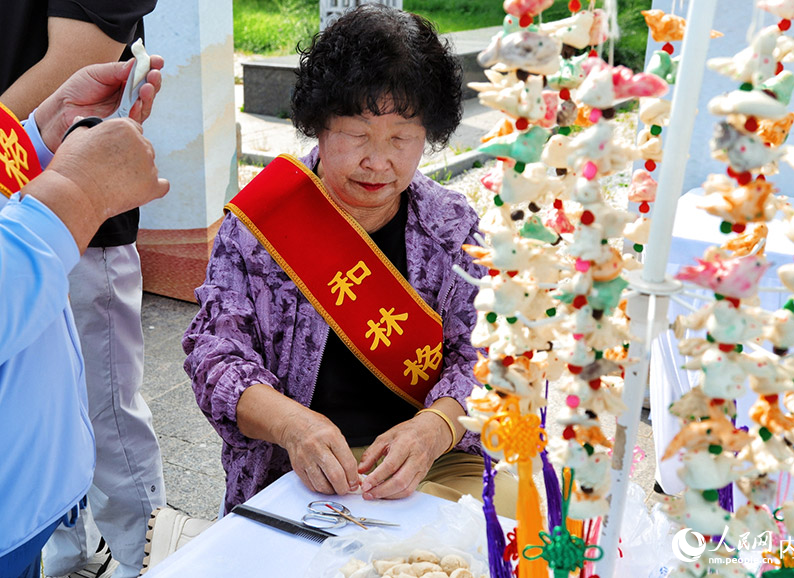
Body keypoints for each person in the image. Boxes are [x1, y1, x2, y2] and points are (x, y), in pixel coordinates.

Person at [183, 4, 517, 517]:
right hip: (299, 471)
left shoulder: (451, 228)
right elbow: (214, 353)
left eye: (402, 138)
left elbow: (492, 357)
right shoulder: (261, 224)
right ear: (318, 125)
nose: (378, 161)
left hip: (435, 461)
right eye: (358, 134)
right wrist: (293, 426)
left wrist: (434, 429)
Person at [0, 3, 166, 577]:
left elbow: (78, 53)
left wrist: (36, 138)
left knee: (100, 401)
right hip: (50, 213)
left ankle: (136, 556)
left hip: (49, 205)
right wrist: (73, 188)